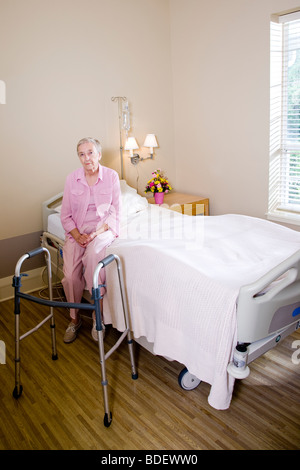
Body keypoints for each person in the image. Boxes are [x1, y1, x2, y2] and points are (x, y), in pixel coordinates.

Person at [60, 137, 121, 343]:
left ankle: (98, 317)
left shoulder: (111, 176)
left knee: (94, 258)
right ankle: (74, 319)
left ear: (99, 154)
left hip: (101, 230)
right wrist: (77, 235)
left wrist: (95, 234)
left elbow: (115, 212)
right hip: (78, 232)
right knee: (69, 277)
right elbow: (65, 215)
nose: (86, 158)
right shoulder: (72, 179)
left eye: (90, 153)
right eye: (82, 154)